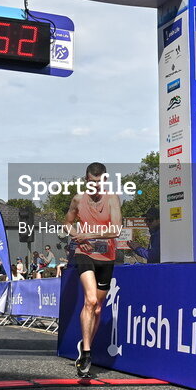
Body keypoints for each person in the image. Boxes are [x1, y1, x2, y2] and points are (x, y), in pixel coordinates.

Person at [66, 161, 122, 378]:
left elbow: (116, 230)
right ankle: (87, 354)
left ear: (105, 181)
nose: (95, 187)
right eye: (91, 183)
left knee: (97, 308)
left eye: (99, 183)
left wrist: (89, 234)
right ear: (86, 181)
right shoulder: (78, 199)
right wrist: (75, 234)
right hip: (84, 254)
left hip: (106, 257)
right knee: (89, 300)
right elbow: (67, 223)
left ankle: (84, 344)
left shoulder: (113, 199)